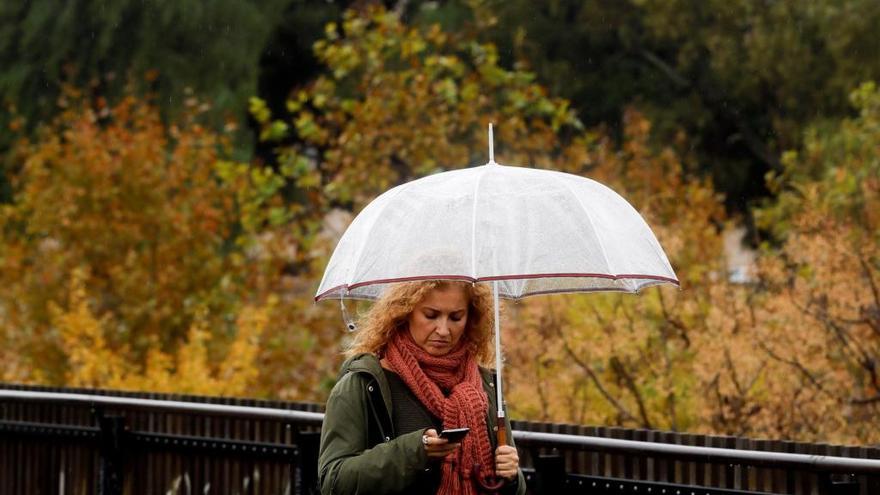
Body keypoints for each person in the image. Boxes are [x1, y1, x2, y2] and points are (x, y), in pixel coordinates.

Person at [318, 280, 525, 495]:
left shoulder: (486, 384)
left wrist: (511, 477)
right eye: (431, 315)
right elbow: (333, 481)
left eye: (456, 317)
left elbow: (509, 487)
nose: (443, 330)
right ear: (405, 312)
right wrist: (416, 451)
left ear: (470, 318)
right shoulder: (364, 383)